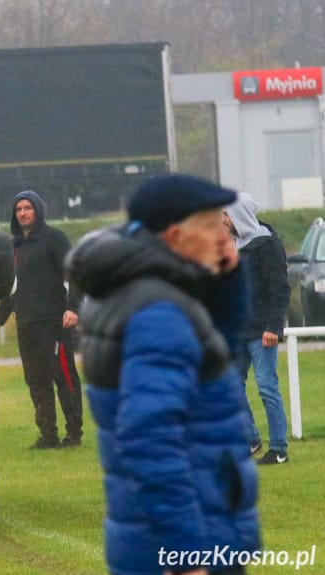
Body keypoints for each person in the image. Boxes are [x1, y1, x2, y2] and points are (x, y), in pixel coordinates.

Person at [65, 174, 260, 575]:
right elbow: (150, 440)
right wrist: (185, 554)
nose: (224, 234)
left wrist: (227, 281)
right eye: (212, 225)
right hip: (184, 539)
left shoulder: (144, 289)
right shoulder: (159, 313)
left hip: (188, 523)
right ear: (175, 236)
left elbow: (216, 356)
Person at [0, 190, 83, 449]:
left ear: (38, 210)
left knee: (64, 378)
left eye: (28, 208)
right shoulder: (13, 246)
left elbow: (75, 274)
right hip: (26, 326)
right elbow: (12, 288)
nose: (23, 213)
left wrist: (73, 308)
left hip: (54, 324)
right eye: (19, 209)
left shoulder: (54, 239)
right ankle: (48, 435)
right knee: (36, 382)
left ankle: (74, 434)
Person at [223, 193, 290, 465]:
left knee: (266, 387)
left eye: (225, 215)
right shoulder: (232, 246)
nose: (222, 220)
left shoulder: (266, 244)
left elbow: (280, 288)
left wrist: (273, 326)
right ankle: (250, 440)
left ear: (237, 215)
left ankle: (279, 448)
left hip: (263, 331)